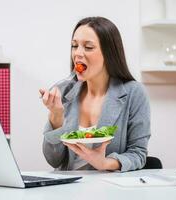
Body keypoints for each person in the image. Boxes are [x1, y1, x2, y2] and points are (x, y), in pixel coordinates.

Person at [39, 17, 150, 172]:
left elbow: (138, 153)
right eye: (74, 46)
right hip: (68, 190)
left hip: (109, 189)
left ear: (109, 53)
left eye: (88, 47)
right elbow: (53, 160)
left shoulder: (134, 93)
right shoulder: (64, 93)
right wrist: (56, 116)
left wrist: (105, 163)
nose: (78, 53)